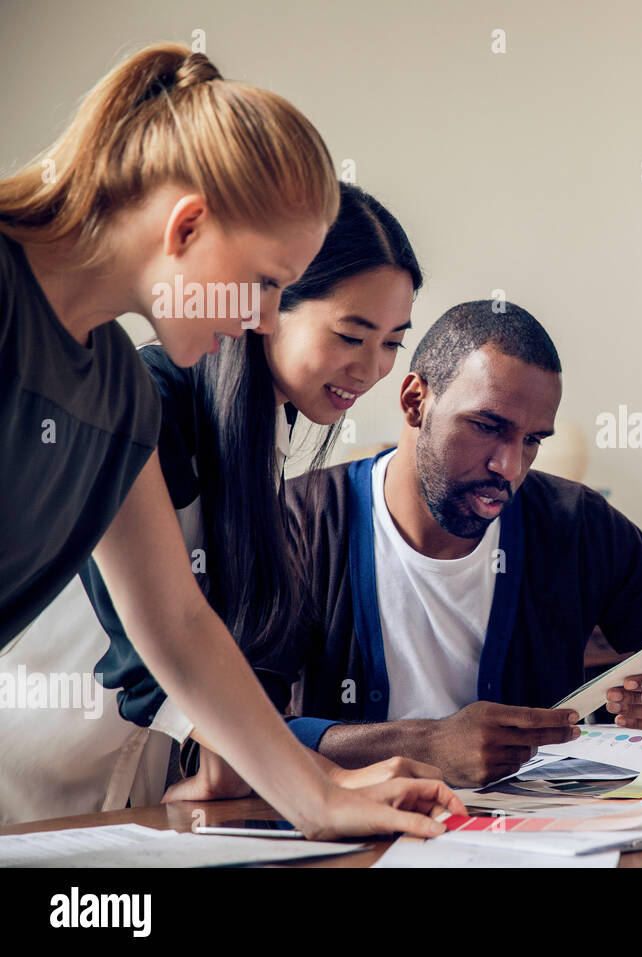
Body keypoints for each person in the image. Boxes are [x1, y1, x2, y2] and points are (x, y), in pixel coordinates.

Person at [0, 43, 462, 837]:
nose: (259, 318)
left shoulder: (113, 383)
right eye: (264, 282)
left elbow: (176, 623)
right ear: (187, 226)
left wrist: (322, 799)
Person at [240, 299, 642, 788]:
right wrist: (424, 745)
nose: (509, 467)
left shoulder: (575, 525)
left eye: (532, 440)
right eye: (487, 426)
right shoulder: (296, 523)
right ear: (415, 401)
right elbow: (225, 737)